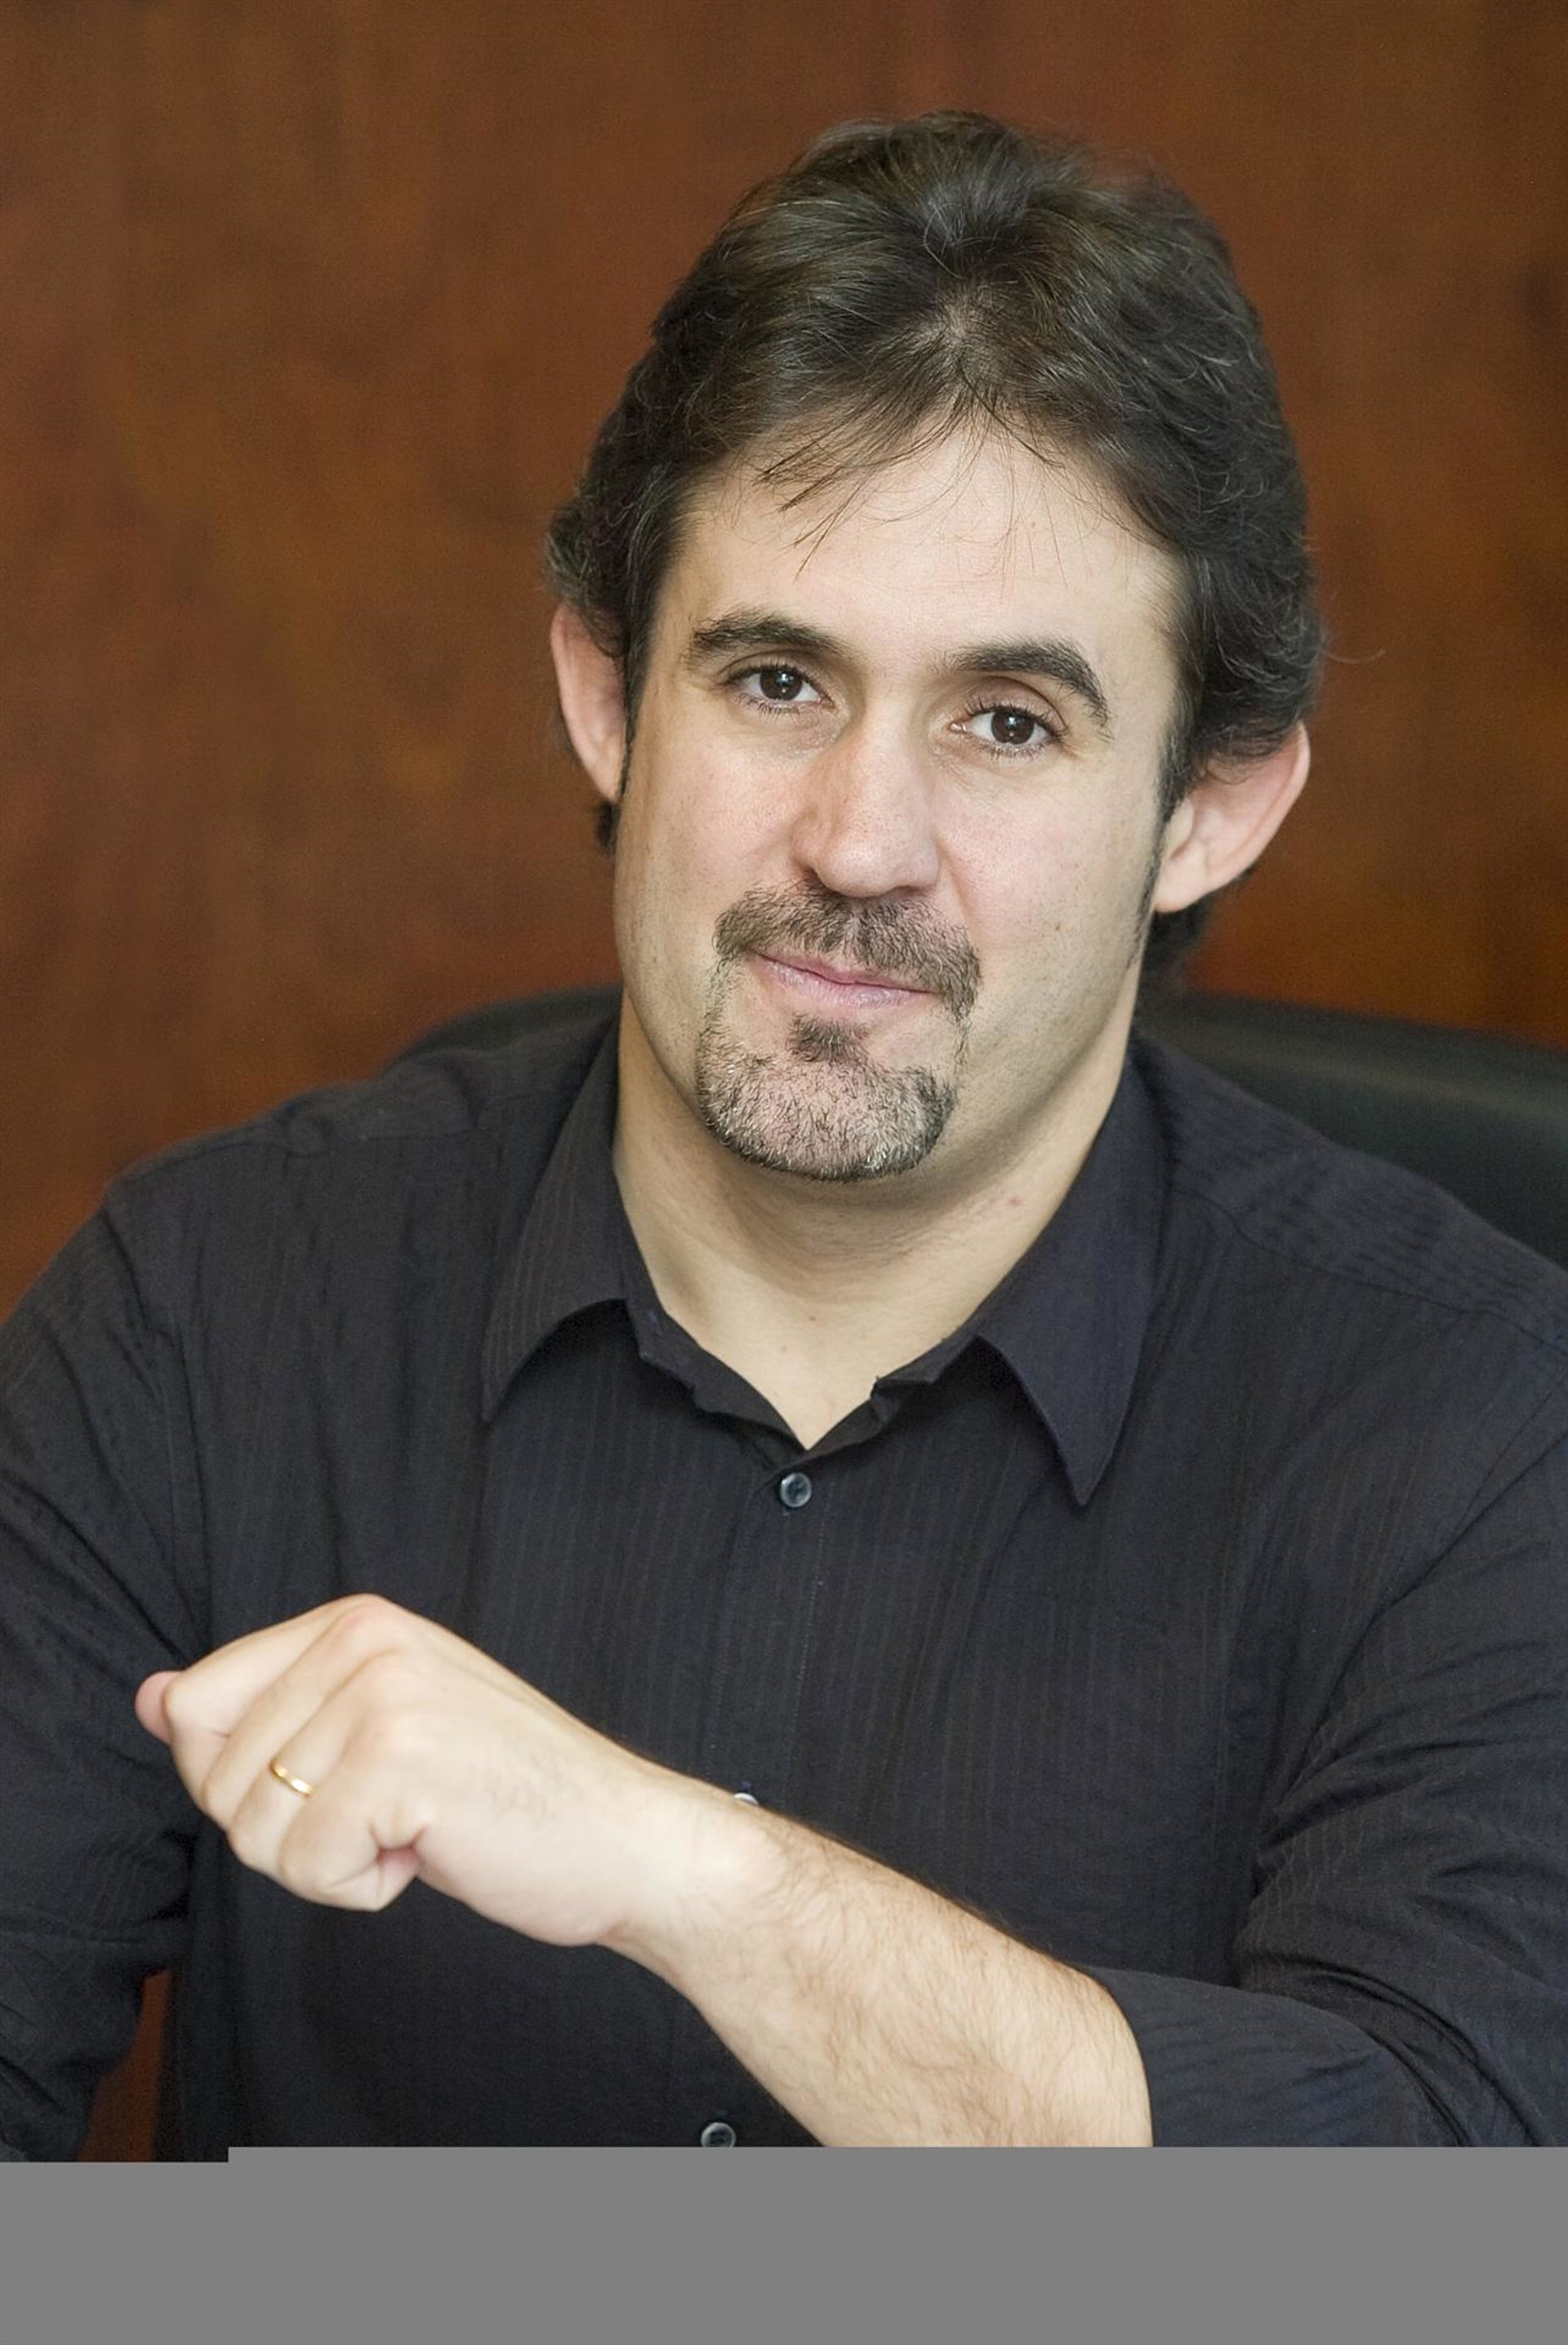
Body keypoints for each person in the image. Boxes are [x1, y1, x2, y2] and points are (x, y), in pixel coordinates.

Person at [2, 112, 1565, 2156]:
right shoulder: (201, 1312)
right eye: (772, 679)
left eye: (1008, 721)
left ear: (1211, 807)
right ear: (606, 695)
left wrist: (693, 1875)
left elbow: (1443, 2239)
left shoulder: (1478, 1431)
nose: (859, 841)